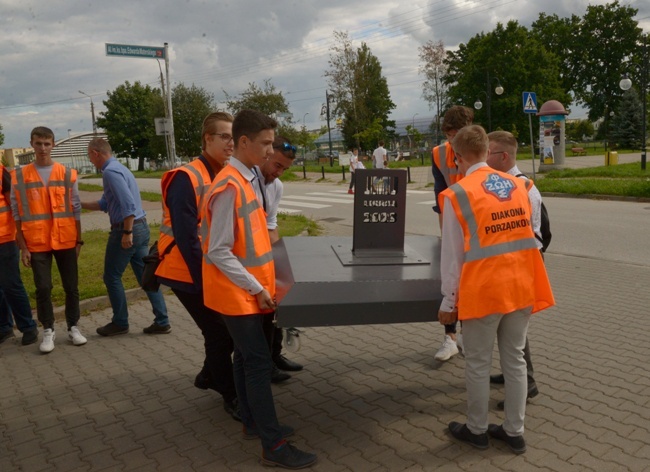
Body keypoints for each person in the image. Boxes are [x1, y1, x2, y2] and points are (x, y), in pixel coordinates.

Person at [202, 109, 317, 469]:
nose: (271, 151)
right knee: (256, 364)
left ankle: (253, 424)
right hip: (237, 293)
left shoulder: (248, 177)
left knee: (246, 359)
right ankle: (273, 445)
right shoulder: (229, 186)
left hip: (246, 291)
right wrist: (256, 287)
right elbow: (217, 250)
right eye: (266, 143)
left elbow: (254, 240)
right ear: (244, 142)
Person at [438, 125, 554, 454]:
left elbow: (453, 256)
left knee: (476, 363)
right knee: (514, 360)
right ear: (488, 151)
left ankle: (476, 430)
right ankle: (514, 431)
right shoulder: (520, 185)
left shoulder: (457, 194)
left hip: (484, 291)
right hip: (520, 286)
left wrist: (449, 301)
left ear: (458, 157)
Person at [155, 112, 240, 421]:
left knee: (223, 332)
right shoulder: (186, 177)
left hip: (210, 269)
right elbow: (187, 236)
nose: (231, 143)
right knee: (219, 332)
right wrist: (205, 283)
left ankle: (208, 375)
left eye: (233, 137)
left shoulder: (224, 172)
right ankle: (230, 394)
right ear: (208, 139)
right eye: (225, 137)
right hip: (187, 271)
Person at [81, 138, 170, 336]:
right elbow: (106, 203)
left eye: (89, 155)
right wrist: (79, 205)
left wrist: (127, 232)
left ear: (96, 153)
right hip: (140, 227)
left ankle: (120, 322)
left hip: (126, 229)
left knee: (111, 276)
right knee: (145, 276)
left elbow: (128, 205)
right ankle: (162, 320)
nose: (90, 160)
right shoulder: (117, 169)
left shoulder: (110, 173)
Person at [11, 126, 86, 353]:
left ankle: (73, 327)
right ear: (31, 144)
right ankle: (48, 330)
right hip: (37, 242)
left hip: (65, 239)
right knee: (43, 287)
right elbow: (17, 213)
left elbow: (76, 209)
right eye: (38, 143)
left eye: (47, 143)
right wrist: (22, 247)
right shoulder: (20, 176)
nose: (43, 148)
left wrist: (79, 241)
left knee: (71, 287)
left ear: (53, 145)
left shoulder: (66, 173)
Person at [487, 131, 542, 409]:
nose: (484, 158)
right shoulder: (502, 185)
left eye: (489, 153)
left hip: (520, 269)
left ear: (503, 156)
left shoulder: (522, 187)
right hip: (509, 267)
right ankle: (514, 375)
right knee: (509, 328)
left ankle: (527, 382)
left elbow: (534, 236)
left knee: (516, 330)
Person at [253, 136, 303, 384]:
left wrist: (279, 262)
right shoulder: (248, 180)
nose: (279, 173)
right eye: (277, 166)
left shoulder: (276, 186)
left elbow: (271, 225)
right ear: (267, 155)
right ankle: (264, 365)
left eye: (285, 169)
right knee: (258, 319)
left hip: (263, 258)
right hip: (247, 262)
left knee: (275, 309)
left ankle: (275, 355)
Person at [430, 105, 474, 362]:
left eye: (455, 136)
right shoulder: (438, 154)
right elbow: (440, 198)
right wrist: (447, 236)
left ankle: (468, 336)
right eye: (448, 136)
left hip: (478, 226)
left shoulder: (482, 147)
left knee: (471, 282)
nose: (450, 142)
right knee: (449, 280)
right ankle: (450, 338)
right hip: (452, 222)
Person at [0, 162, 39, 346]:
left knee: (11, 284)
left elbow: (13, 204)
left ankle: (28, 326)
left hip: (5, 238)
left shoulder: (0, 172)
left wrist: (20, 237)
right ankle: (4, 327)